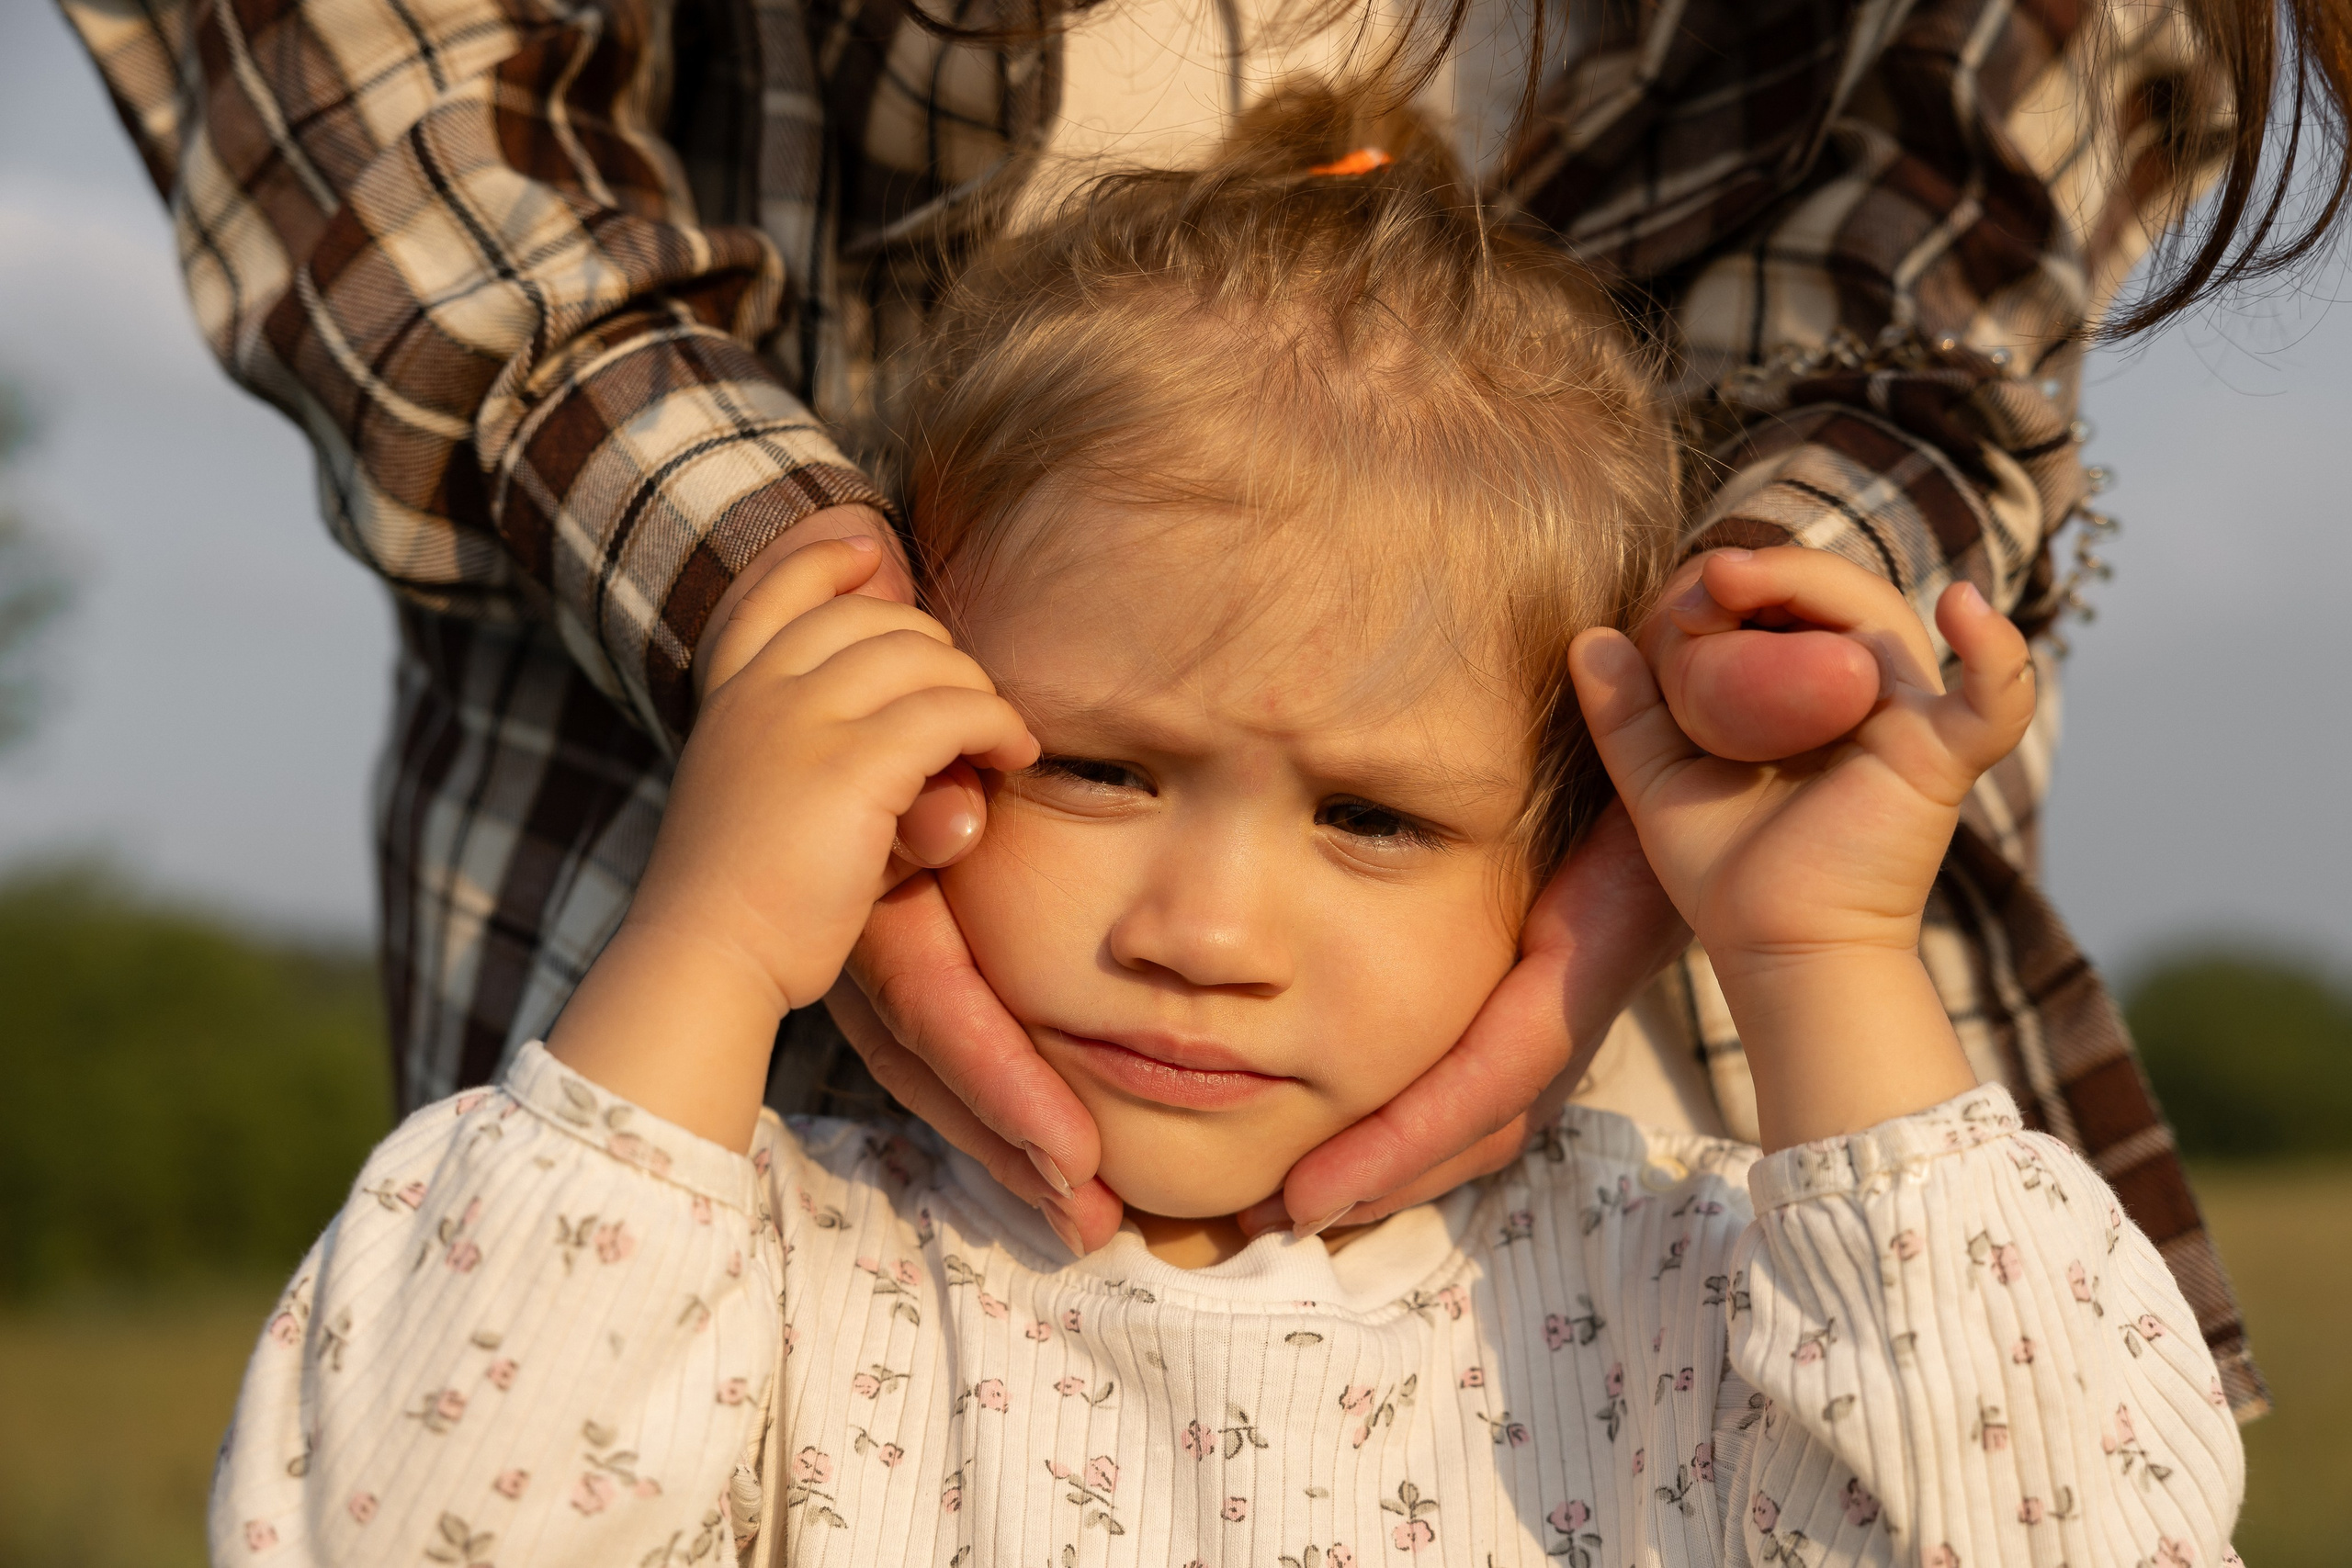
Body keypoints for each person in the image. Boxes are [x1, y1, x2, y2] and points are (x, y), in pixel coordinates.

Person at [66, 0, 2346, 1415]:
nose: (1201, 925)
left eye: (1368, 813)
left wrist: (1816, 937)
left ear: (1568, 803)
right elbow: (412, 1484)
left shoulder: (1670, 1298)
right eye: (1090, 759)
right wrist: (717, 910)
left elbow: (2054, 1500)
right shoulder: (742, 1273)